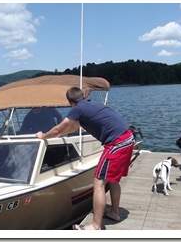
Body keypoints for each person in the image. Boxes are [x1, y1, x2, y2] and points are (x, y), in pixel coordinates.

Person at [36, 87, 135, 230]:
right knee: (113, 179)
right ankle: (114, 213)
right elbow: (72, 126)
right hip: (128, 138)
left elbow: (59, 127)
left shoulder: (78, 109)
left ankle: (95, 226)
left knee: (98, 182)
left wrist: (43, 136)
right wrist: (60, 135)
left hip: (117, 143)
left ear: (70, 102)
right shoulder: (92, 105)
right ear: (82, 96)